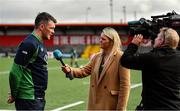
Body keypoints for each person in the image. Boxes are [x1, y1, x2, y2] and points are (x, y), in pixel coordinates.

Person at [62, 27, 130, 110]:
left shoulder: (121, 57)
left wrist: (121, 108)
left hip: (110, 104)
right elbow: (84, 71)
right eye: (100, 38)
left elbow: (125, 85)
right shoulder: (96, 57)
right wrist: (70, 70)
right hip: (94, 103)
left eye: (103, 39)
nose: (100, 40)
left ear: (112, 41)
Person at [120, 27, 180, 110]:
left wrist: (133, 44)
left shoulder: (151, 58)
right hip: (175, 107)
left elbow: (125, 60)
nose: (155, 39)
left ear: (161, 41)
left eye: (157, 37)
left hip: (153, 107)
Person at [7, 12, 57, 110]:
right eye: (51, 28)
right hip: (28, 98)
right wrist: (14, 94)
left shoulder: (39, 43)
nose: (53, 31)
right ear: (42, 26)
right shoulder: (29, 44)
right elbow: (14, 72)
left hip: (37, 97)